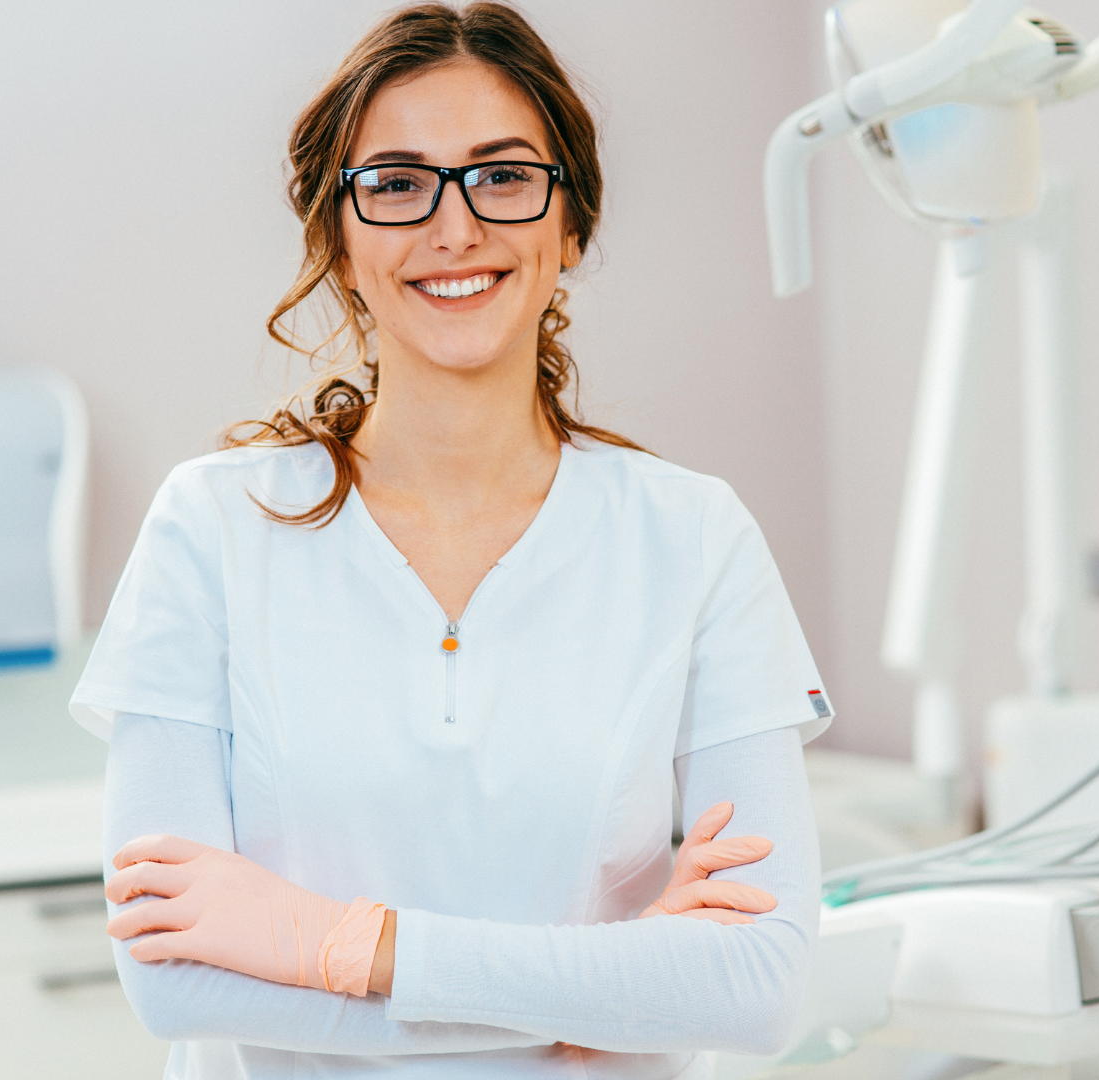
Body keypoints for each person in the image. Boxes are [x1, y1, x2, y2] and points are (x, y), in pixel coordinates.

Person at [71, 4, 834, 1077]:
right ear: (338, 240)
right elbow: (174, 978)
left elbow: (758, 987)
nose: (455, 228)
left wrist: (353, 946)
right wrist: (614, 984)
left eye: (503, 175)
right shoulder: (212, 531)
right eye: (395, 184)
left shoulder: (694, 539)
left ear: (572, 224)